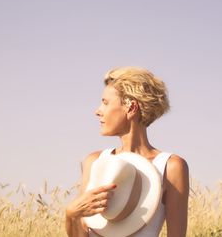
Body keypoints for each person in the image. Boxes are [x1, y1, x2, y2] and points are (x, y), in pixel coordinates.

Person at [65, 67, 189, 237]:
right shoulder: (94, 162)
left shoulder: (170, 167)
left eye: (106, 102)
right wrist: (71, 214)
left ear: (131, 108)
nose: (98, 110)